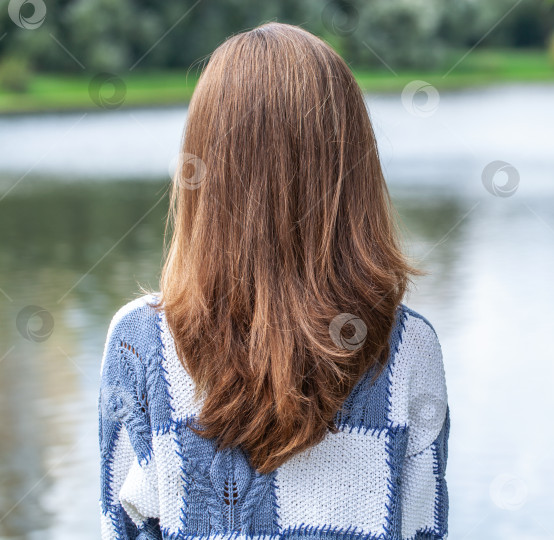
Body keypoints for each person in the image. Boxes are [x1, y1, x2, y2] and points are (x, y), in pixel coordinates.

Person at [97, 22, 449, 540]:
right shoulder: (407, 349)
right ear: (352, 168)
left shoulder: (139, 342)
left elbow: (120, 528)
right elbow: (425, 530)